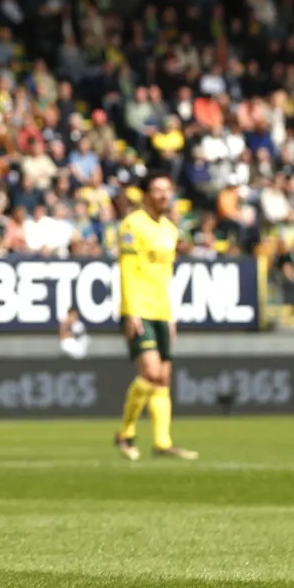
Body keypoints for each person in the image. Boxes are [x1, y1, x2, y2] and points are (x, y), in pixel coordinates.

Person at [115, 171, 198, 462]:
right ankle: (125, 433)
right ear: (146, 194)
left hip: (162, 310)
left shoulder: (170, 230)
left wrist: (171, 314)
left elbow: (166, 276)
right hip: (139, 309)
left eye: (167, 190)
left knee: (162, 378)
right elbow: (126, 270)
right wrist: (131, 311)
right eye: (158, 190)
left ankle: (163, 442)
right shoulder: (132, 225)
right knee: (149, 374)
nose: (164, 195)